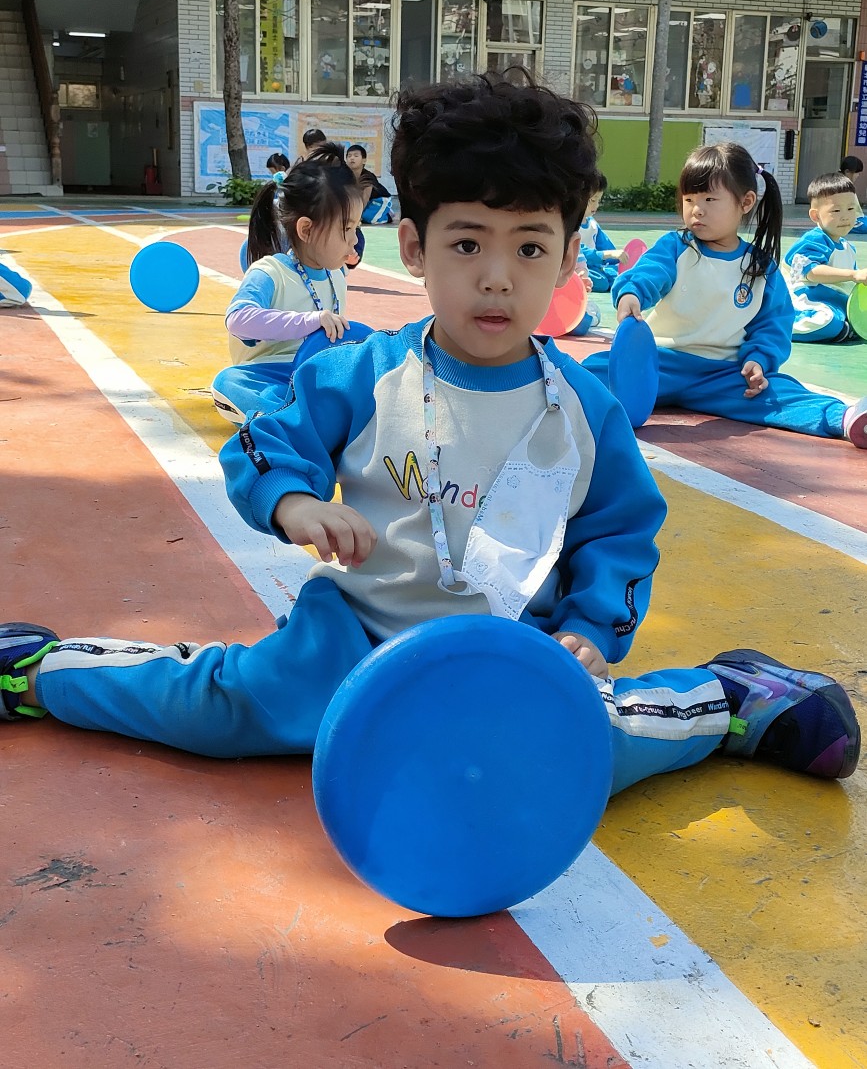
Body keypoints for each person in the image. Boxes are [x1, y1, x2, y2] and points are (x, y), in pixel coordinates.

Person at [1, 79, 859, 795]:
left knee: (576, 752)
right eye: (466, 243)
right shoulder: (360, 373)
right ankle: (44, 670)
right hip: (350, 643)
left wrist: (591, 632)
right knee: (226, 709)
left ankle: (729, 697)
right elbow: (266, 443)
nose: (497, 277)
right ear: (413, 246)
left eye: (530, 249)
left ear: (570, 260)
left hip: (508, 658)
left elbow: (621, 533)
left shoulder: (584, 410)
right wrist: (294, 502)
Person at [583, 142, 867, 448]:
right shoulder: (676, 246)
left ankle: (844, 418)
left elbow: (772, 325)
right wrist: (632, 294)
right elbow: (649, 272)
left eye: (709, 199)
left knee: (780, 392)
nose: (696, 209)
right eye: (689, 199)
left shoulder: (761, 267)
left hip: (723, 374)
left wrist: (758, 360)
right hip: (658, 364)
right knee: (588, 372)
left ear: (745, 202)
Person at [210, 143, 362, 425]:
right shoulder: (271, 272)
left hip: (317, 376)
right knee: (230, 381)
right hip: (269, 375)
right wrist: (309, 321)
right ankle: (290, 424)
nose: (354, 239)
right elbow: (238, 319)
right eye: (346, 229)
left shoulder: (337, 276)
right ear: (306, 229)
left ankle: (303, 422)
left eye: (356, 228)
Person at [784, 172, 867, 343]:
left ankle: (843, 329)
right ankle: (778, 326)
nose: (845, 216)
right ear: (815, 216)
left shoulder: (847, 247)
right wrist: (853, 275)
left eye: (851, 209)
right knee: (829, 321)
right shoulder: (814, 240)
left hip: (833, 301)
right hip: (805, 300)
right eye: (836, 210)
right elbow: (812, 272)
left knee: (843, 321)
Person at [579, 173, 627, 292]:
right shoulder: (570, 225)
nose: (596, 205)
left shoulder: (593, 225)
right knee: (602, 282)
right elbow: (579, 252)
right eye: (592, 200)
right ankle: (576, 280)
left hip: (596, 267)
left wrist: (622, 259)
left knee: (617, 276)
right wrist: (607, 254)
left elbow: (606, 246)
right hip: (579, 266)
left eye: (598, 200)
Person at [345, 143, 395, 225]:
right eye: (349, 156)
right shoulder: (345, 176)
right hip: (366, 202)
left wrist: (357, 216)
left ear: (364, 160)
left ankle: (388, 215)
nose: (352, 158)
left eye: (356, 156)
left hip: (380, 199)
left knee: (369, 219)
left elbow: (365, 197)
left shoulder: (368, 177)